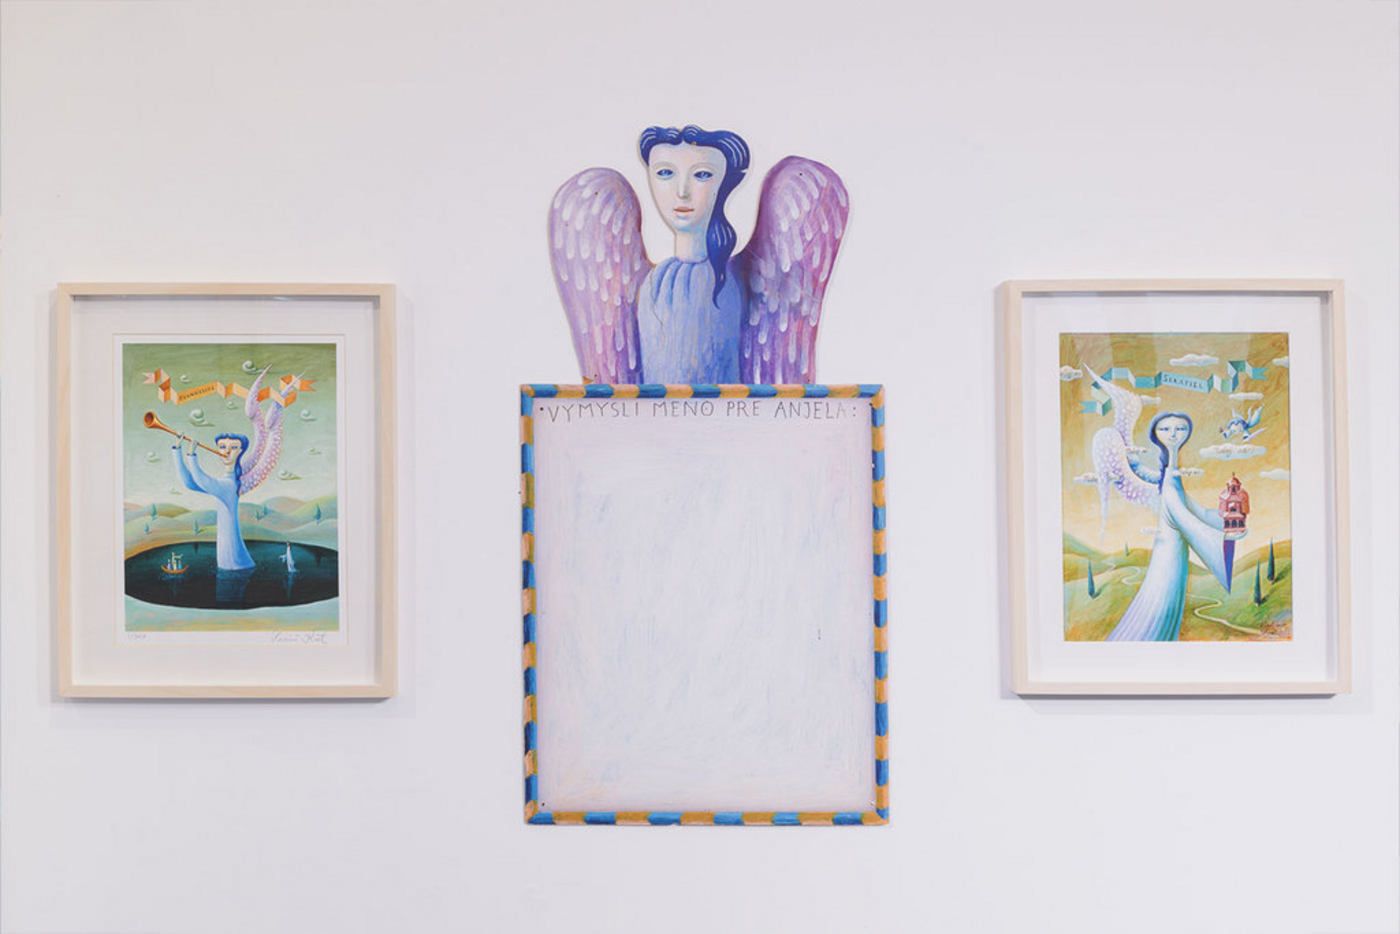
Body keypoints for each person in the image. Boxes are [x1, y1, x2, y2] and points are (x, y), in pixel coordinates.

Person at [634, 125, 750, 383]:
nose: (682, 191)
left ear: (724, 183)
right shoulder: (654, 283)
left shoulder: (725, 282)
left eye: (702, 174)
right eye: (665, 173)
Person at [173, 432, 255, 571]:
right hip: (231, 564)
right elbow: (190, 483)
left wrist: (192, 455)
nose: (227, 451)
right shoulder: (224, 483)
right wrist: (177, 450)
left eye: (233, 447)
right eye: (222, 447)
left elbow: (203, 481)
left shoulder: (229, 485)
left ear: (240, 451)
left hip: (237, 566)